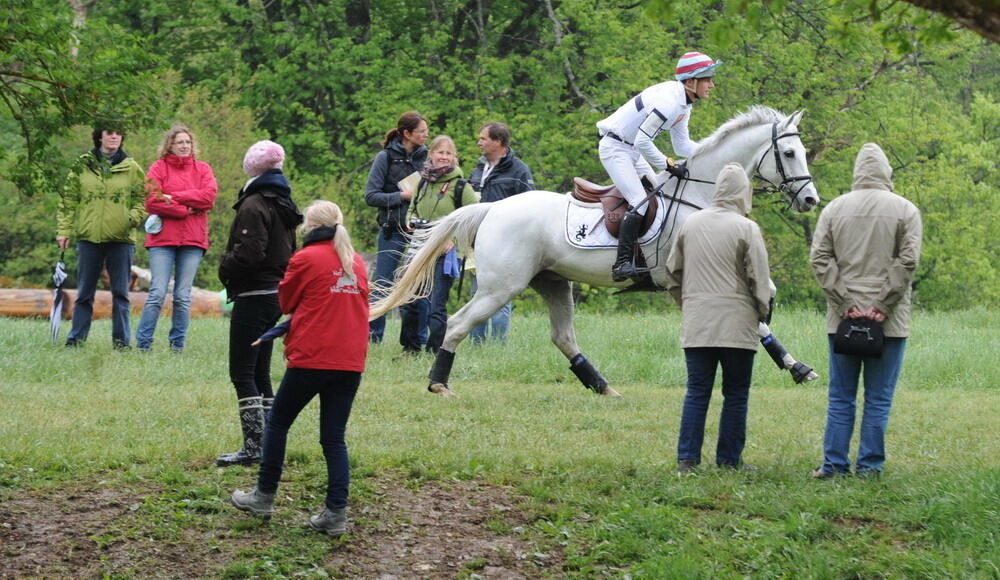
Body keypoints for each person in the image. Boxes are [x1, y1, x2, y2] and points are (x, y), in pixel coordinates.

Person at [230, 200, 369, 538]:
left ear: (308, 225)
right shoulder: (357, 262)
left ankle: (263, 496)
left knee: (277, 423)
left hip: (311, 357)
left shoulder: (305, 258)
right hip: (350, 361)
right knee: (334, 439)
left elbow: (286, 302)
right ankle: (335, 513)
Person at [809, 143, 922, 479]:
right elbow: (908, 260)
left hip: (842, 320)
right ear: (886, 172)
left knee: (840, 397)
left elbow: (819, 259)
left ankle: (834, 465)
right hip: (890, 322)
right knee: (878, 397)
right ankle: (870, 467)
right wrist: (882, 305)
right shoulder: (906, 210)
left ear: (857, 172)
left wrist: (845, 304)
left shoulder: (834, 210)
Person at [664, 163, 770, 473]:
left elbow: (672, 272)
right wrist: (761, 311)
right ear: (744, 193)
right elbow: (759, 279)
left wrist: (685, 302)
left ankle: (687, 459)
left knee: (697, 390)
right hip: (738, 322)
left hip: (698, 321)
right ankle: (728, 459)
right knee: (736, 392)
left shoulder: (691, 223)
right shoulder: (746, 228)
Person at [597, 51, 720, 282]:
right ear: (691, 82)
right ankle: (621, 264)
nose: (711, 85)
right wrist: (668, 165)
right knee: (640, 203)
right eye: (708, 79)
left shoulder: (684, 104)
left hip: (631, 149)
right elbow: (644, 140)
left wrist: (711, 155)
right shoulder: (669, 103)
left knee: (659, 197)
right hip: (616, 149)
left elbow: (681, 145)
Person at [216, 140, 302, 467]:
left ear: (251, 169)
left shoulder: (253, 203)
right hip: (275, 294)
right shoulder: (282, 201)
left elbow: (250, 253)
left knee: (242, 371)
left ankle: (254, 446)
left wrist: (225, 265)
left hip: (254, 294)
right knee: (261, 371)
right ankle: (269, 443)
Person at [56, 127, 146, 350]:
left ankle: (122, 343)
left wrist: (131, 218)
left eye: (118, 133)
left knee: (121, 294)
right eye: (109, 132)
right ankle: (75, 339)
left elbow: (143, 199)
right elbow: (68, 199)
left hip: (121, 239)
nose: (114, 136)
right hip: (89, 237)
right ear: (99, 136)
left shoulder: (132, 167)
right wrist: (63, 230)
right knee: (85, 292)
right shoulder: (82, 164)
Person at [135, 125, 218, 352]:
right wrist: (185, 210)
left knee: (182, 296)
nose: (184, 146)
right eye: (179, 142)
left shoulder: (203, 169)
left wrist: (174, 197)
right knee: (157, 292)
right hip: (162, 240)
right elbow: (152, 201)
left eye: (188, 142)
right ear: (169, 145)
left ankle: (177, 345)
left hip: (192, 240)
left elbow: (208, 198)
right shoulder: (158, 168)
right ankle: (143, 344)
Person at [398, 135, 480, 355]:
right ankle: (410, 346)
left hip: (447, 252)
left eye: (448, 153)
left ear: (454, 158)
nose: (444, 157)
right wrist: (410, 220)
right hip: (419, 246)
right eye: (440, 152)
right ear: (430, 155)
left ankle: (435, 349)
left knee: (437, 303)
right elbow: (412, 208)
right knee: (410, 299)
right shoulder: (423, 182)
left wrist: (452, 240)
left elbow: (475, 218)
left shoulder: (461, 186)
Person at [467, 122, 535, 343]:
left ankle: (498, 345)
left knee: (501, 296)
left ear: (498, 141)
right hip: (478, 242)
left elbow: (531, 206)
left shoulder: (519, 170)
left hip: (507, 244)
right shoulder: (477, 169)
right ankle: (476, 345)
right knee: (477, 295)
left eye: (483, 139)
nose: (479, 143)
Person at [365, 111, 429, 344]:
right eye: (421, 131)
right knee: (383, 283)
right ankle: (373, 336)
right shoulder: (385, 158)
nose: (426, 135)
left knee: (419, 285)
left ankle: (416, 341)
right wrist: (402, 195)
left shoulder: (428, 158)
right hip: (392, 229)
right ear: (406, 134)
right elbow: (371, 196)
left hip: (421, 231)